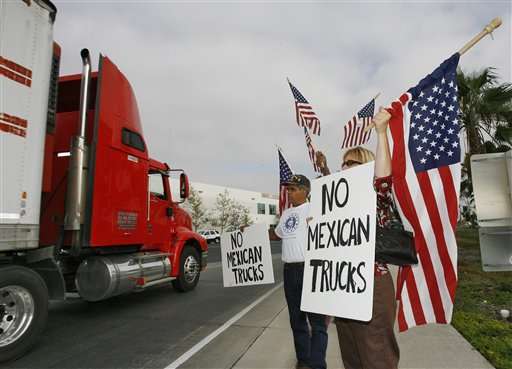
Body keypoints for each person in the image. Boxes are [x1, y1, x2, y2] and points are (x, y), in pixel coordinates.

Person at [315, 107, 400, 369]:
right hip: (343, 287)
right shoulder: (341, 204)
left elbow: (383, 179)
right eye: (343, 163)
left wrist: (382, 133)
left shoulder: (375, 196)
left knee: (376, 357)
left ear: (365, 166)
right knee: (352, 358)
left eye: (350, 163)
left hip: (372, 285)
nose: (344, 167)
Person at [269, 174, 328, 369]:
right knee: (297, 319)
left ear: (305, 191)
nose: (290, 193)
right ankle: (304, 360)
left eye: (293, 189)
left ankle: (317, 364)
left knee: (317, 322)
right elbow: (276, 235)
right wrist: (251, 232)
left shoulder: (315, 209)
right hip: (290, 271)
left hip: (311, 269)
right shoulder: (286, 214)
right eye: (288, 189)